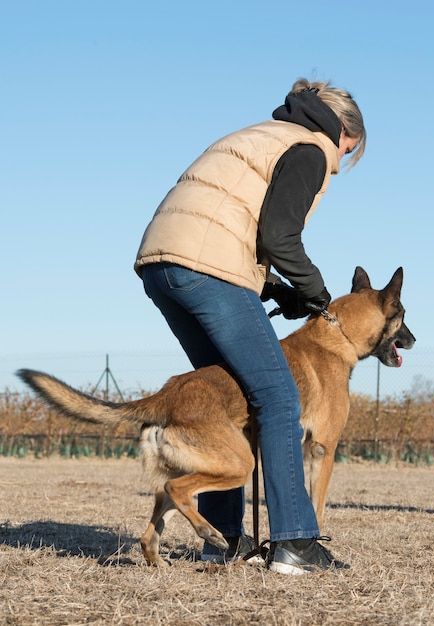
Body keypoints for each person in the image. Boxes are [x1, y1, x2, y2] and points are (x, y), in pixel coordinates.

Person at [134, 74, 366, 575]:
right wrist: (315, 291)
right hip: (203, 267)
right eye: (349, 152)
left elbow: (223, 230)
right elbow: (280, 236)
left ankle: (227, 541)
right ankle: (296, 545)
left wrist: (278, 290)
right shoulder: (310, 147)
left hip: (162, 263)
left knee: (225, 394)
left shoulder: (261, 134)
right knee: (280, 396)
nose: (342, 164)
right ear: (343, 132)